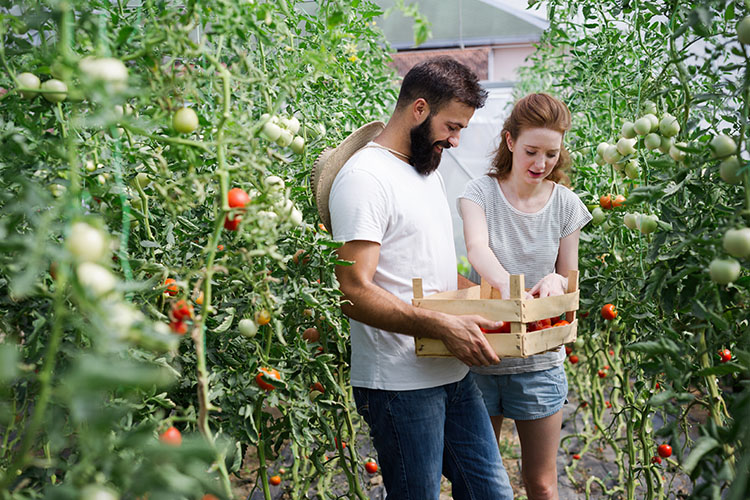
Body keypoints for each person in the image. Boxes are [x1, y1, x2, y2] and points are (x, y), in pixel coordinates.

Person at [324, 57, 514, 499]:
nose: (456, 139)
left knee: (492, 493)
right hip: (399, 384)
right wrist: (439, 324)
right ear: (420, 109)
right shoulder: (365, 178)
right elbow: (352, 292)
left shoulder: (424, 167)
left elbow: (431, 271)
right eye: (452, 126)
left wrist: (502, 298)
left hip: (450, 370)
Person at [458, 92, 592, 500]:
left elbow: (569, 278)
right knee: (479, 482)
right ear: (510, 141)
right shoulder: (478, 193)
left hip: (540, 362)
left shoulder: (567, 205)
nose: (541, 164)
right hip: (482, 354)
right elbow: (478, 250)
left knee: (542, 483)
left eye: (551, 154)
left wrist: (556, 281)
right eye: (532, 151)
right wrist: (510, 289)